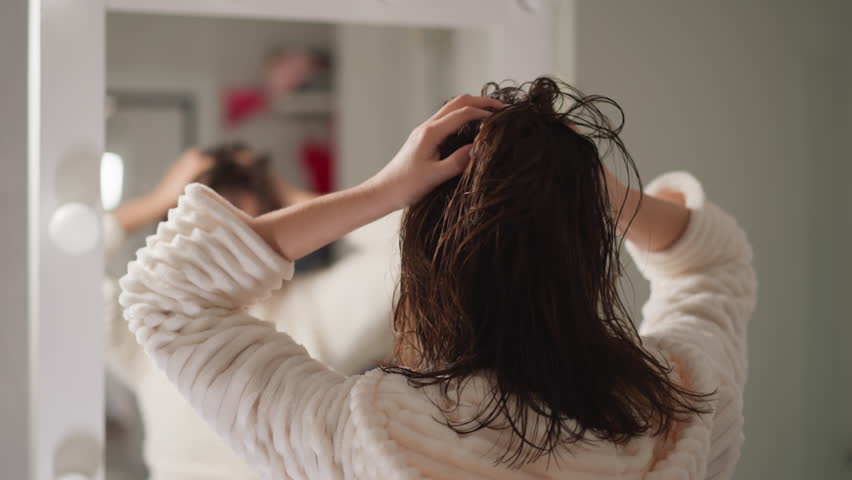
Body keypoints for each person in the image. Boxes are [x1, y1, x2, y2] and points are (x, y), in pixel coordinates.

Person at [118, 78, 756, 479]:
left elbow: (171, 295)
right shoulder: (683, 408)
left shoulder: (371, 439)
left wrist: (386, 188)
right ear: (589, 243)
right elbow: (713, 263)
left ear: (418, 252)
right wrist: (581, 186)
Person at [104, 142, 398, 479]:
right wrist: (158, 199)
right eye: (208, 216)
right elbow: (65, 267)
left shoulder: (314, 310)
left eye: (244, 222)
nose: (228, 239)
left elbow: (409, 254)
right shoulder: (147, 326)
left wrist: (285, 195)